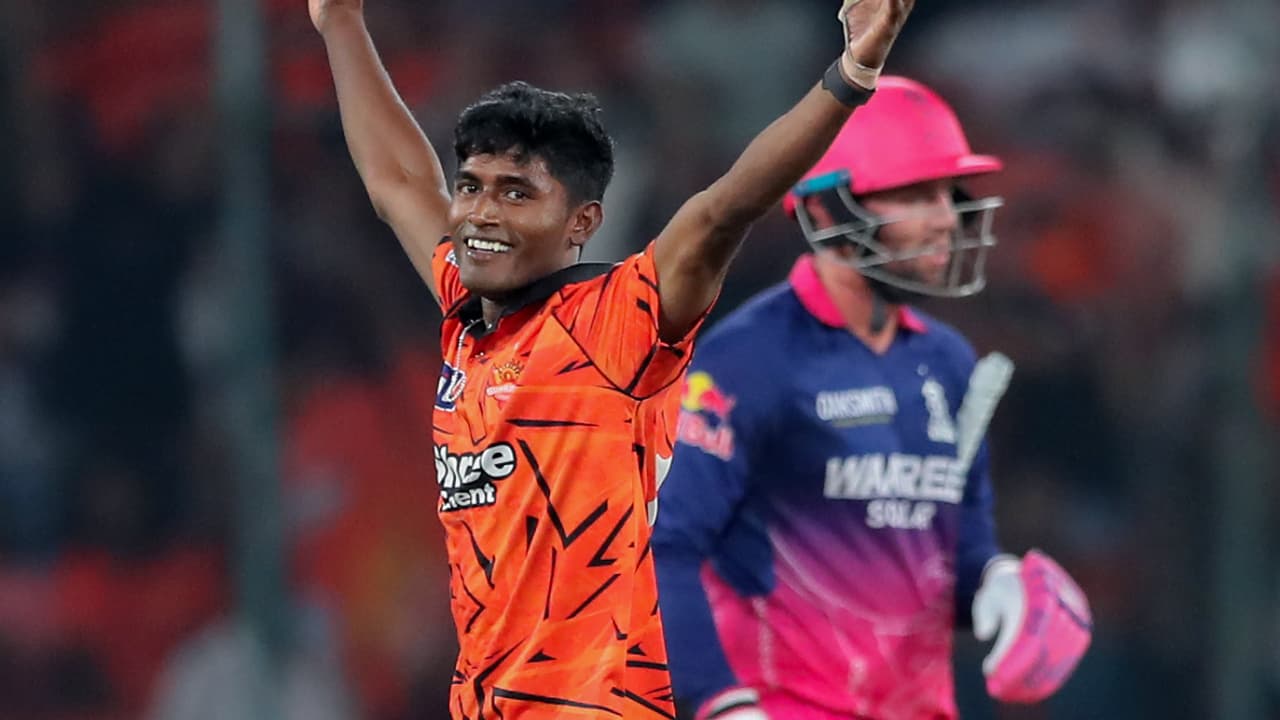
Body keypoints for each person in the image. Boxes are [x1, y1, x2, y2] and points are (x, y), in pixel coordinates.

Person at [310, 0, 917, 716]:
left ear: (583, 222)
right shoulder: (465, 314)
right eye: (472, 187)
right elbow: (400, 184)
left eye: (516, 194)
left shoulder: (618, 322)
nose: (482, 214)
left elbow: (723, 210)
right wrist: (340, 21)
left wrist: (850, 75)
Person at [652, 77, 1093, 720]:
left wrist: (998, 586)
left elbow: (955, 553)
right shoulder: (748, 360)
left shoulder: (948, 363)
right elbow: (666, 550)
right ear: (828, 212)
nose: (946, 218)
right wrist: (722, 703)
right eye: (915, 194)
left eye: (949, 193)